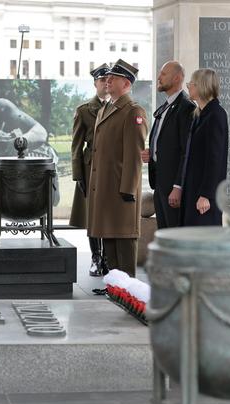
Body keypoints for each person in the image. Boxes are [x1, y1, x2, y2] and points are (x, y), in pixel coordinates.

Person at [87, 59, 147, 277]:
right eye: (108, 77)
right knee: (110, 244)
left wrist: (128, 190)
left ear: (127, 84)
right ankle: (116, 290)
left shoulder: (132, 111)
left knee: (123, 245)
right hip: (105, 189)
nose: (108, 80)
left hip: (122, 193)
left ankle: (129, 293)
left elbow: (134, 154)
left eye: (115, 77)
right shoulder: (105, 109)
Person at [141, 60, 195, 228]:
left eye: (164, 74)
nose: (159, 77)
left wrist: (178, 186)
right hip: (160, 183)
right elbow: (167, 142)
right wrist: (153, 152)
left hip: (173, 186)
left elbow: (186, 151)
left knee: (174, 235)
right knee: (163, 234)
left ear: (177, 78)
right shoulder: (166, 106)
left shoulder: (186, 107)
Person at [69, 63, 110, 276]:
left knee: (109, 213)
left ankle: (109, 257)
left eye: (108, 80)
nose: (106, 83)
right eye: (102, 80)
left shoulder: (119, 108)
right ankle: (96, 257)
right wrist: (78, 176)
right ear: (95, 83)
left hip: (112, 169)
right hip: (90, 167)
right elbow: (76, 146)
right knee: (93, 216)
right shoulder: (85, 110)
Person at [179, 68, 228, 226]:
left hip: (205, 196)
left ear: (201, 86)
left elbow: (214, 158)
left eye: (191, 84)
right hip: (194, 188)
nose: (188, 87)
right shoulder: (200, 114)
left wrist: (206, 194)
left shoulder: (216, 115)